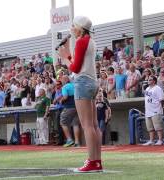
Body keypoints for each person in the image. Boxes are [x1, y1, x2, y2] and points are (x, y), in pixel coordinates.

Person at [58, 16, 103, 172]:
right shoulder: (89, 40)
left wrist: (64, 58)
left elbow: (75, 68)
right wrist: (68, 53)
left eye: (73, 26)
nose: (71, 29)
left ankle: (92, 161)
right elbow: (78, 61)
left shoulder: (81, 41)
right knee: (94, 125)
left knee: (87, 125)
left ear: (80, 28)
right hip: (91, 82)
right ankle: (97, 161)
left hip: (83, 82)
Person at [143, 75, 164, 146]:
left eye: (150, 80)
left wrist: (160, 108)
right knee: (150, 127)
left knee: (158, 126)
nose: (148, 81)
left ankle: (160, 140)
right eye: (148, 79)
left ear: (154, 81)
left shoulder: (157, 88)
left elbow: (161, 99)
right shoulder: (147, 89)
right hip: (148, 111)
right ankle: (151, 140)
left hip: (156, 110)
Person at [59, 75, 81, 147]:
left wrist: (61, 100)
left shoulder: (65, 87)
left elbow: (65, 97)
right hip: (77, 106)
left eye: (61, 79)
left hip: (69, 107)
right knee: (75, 124)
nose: (61, 81)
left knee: (63, 122)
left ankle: (69, 140)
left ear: (65, 80)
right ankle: (77, 142)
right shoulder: (74, 85)